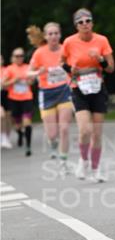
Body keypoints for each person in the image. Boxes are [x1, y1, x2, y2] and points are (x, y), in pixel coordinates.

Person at [61, 9, 115, 182]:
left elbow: (111, 68)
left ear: (92, 23)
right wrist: (71, 70)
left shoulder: (102, 40)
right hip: (78, 88)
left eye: (87, 20)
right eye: (80, 22)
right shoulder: (69, 42)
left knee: (97, 134)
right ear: (76, 25)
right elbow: (62, 62)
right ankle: (83, 161)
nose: (84, 24)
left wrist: (100, 59)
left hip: (98, 88)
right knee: (85, 130)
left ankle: (96, 169)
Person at [27, 22, 74, 173]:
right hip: (46, 94)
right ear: (46, 36)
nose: (53, 36)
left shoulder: (65, 49)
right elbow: (29, 73)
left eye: (56, 33)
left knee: (65, 128)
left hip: (64, 91)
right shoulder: (40, 53)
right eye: (50, 34)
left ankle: (63, 161)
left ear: (60, 35)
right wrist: (37, 73)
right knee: (52, 134)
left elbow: (74, 65)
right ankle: (53, 144)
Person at [2, 47, 35, 154]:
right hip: (14, 99)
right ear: (13, 57)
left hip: (27, 98)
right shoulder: (9, 69)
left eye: (21, 56)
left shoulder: (28, 67)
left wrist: (30, 81)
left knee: (27, 122)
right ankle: (20, 133)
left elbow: (32, 81)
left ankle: (28, 147)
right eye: (17, 56)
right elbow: (3, 84)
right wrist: (14, 80)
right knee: (17, 124)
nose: (19, 58)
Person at [0, 55, 13, 149]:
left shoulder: (7, 69)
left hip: (7, 94)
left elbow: (10, 81)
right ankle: (3, 137)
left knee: (8, 117)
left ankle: (7, 137)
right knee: (2, 115)